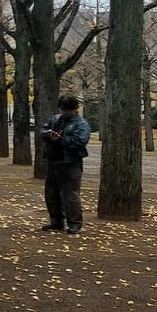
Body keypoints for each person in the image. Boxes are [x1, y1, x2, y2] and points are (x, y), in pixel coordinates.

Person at [40, 93, 91, 234]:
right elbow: (42, 130)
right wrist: (47, 134)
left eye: (68, 110)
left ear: (75, 109)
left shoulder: (81, 124)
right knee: (51, 194)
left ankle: (74, 223)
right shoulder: (55, 119)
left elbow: (81, 142)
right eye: (63, 109)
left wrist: (60, 139)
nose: (65, 112)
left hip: (70, 163)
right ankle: (56, 221)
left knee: (70, 195)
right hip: (53, 160)